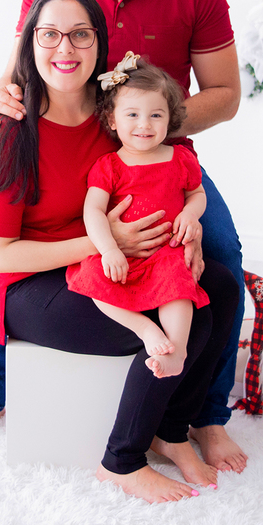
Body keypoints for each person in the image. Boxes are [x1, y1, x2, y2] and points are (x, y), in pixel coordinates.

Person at [0, 0, 247, 473]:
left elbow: (227, 95)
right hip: (62, 147)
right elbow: (18, 69)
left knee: (222, 255)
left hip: (161, 156)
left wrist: (148, 131)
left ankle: (205, 415)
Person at [0, 0, 238, 502]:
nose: (65, 49)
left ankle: (173, 426)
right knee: (175, 319)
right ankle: (121, 460)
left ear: (99, 45)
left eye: (79, 35)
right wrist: (103, 243)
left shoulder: (121, 115)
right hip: (30, 284)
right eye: (49, 35)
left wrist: (191, 227)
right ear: (28, 44)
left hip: (126, 258)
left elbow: (176, 180)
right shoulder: (8, 135)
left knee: (222, 289)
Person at [68, 53, 209, 380]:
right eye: (132, 114)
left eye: (155, 115)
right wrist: (109, 250)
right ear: (113, 120)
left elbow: (197, 194)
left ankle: (178, 349)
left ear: (169, 119)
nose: (144, 125)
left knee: (179, 286)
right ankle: (144, 328)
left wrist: (191, 212)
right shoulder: (109, 166)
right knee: (93, 279)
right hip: (123, 255)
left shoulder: (181, 158)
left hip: (165, 251)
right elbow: (93, 211)